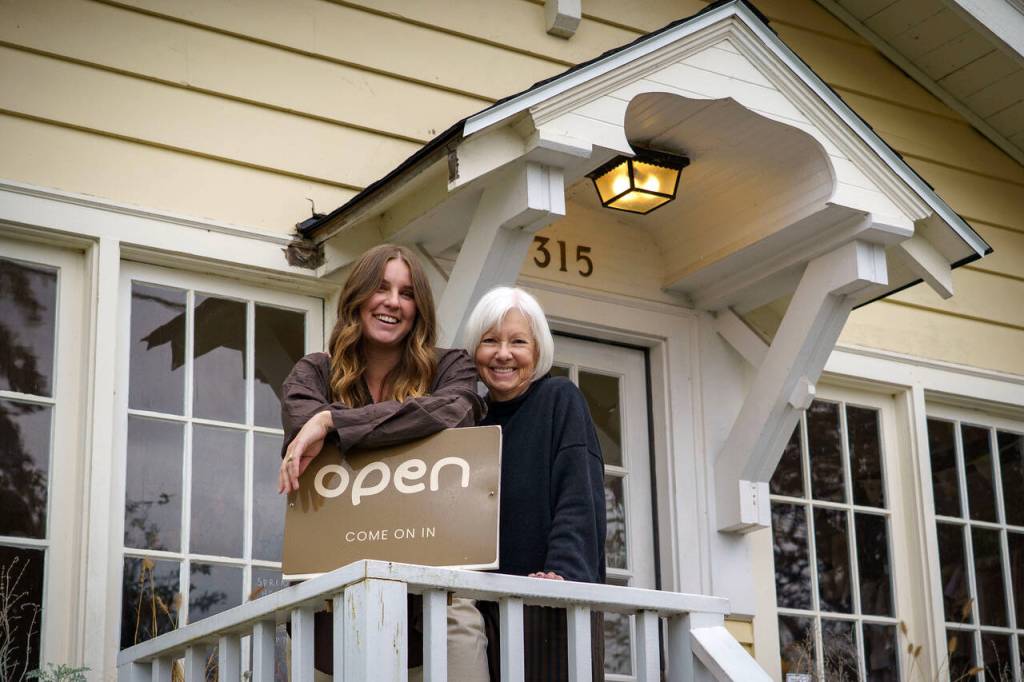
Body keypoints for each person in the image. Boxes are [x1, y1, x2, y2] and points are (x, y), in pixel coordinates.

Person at [278, 243, 489, 680]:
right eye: (381, 288)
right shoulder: (312, 375)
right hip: (331, 611)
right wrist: (401, 425)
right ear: (357, 296)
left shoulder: (450, 368)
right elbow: (302, 425)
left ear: (419, 308)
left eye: (407, 293)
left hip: (436, 604)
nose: (393, 302)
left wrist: (333, 422)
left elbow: (455, 411)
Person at [462, 286, 606, 682]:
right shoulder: (470, 420)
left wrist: (563, 573)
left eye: (518, 342)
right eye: (490, 341)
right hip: (484, 610)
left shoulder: (559, 399)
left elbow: (578, 497)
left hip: (551, 603)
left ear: (538, 350)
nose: (503, 354)